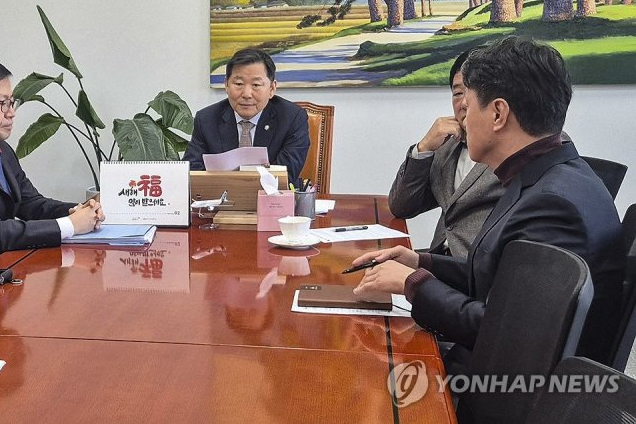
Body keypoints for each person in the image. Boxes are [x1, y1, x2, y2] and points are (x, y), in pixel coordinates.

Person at [352, 36, 623, 368]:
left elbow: (502, 333)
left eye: (469, 106)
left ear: (497, 114)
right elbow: (501, 277)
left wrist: (413, 284)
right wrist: (422, 262)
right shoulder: (551, 174)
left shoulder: (552, 205)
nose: (463, 119)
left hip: (505, 387)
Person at [0, 54, 103, 253]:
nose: (11, 113)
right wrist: (69, 225)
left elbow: (32, 204)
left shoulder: (1, 148)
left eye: (11, 102)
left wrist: (81, 209)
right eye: (2, 103)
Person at [388, 49, 505, 258]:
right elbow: (402, 207)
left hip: (477, 270)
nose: (465, 103)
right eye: (458, 93)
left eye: (473, 92)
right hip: (437, 260)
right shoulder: (448, 145)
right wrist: (424, 148)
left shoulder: (514, 148)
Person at [182, 48, 310, 183]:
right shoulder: (206, 120)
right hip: (220, 195)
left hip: (272, 196)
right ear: (226, 85)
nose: (247, 94)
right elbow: (192, 172)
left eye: (256, 85)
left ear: (272, 89)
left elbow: (285, 175)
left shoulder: (292, 118)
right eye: (239, 84)